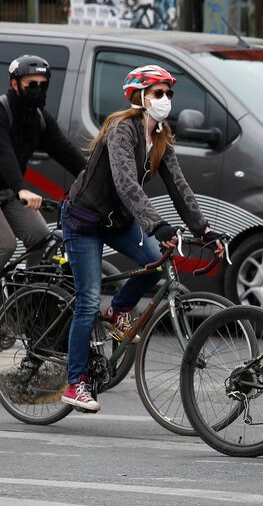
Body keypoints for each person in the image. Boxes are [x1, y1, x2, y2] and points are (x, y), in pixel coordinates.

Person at [60, 65, 225, 411]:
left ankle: (117, 311)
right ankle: (75, 383)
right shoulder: (122, 129)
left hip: (117, 220)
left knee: (156, 262)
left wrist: (204, 230)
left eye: (168, 94)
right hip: (84, 220)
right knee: (89, 299)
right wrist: (156, 225)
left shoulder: (161, 136)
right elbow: (125, 183)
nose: (165, 100)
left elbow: (179, 187)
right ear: (139, 97)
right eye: (158, 93)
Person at [0, 55, 87, 268]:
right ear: (14, 83)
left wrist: (94, 178)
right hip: (14, 189)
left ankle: (29, 297)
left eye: (43, 84)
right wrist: (21, 189)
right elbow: (4, 153)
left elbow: (66, 152)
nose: (38, 90)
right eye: (31, 84)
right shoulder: (2, 111)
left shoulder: (39, 119)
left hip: (8, 193)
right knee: (6, 245)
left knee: (42, 238)